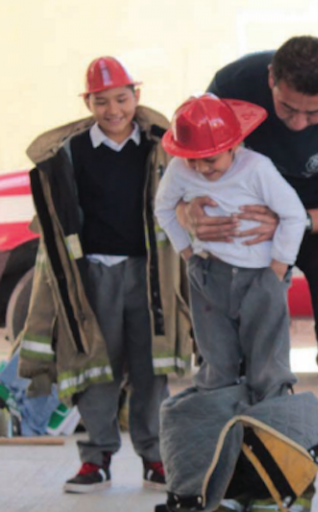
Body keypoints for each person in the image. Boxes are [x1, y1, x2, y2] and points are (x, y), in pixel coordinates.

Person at [176, 36, 318, 512]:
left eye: (313, 115)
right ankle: (243, 484)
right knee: (241, 361)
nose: (297, 124)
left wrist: (297, 221)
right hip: (249, 229)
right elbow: (190, 161)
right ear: (270, 79)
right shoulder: (232, 86)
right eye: (287, 108)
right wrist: (188, 208)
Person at [17, 56, 192, 493]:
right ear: (87, 103)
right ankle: (96, 460)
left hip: (149, 274)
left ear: (137, 95)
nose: (113, 110)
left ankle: (155, 457)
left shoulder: (159, 147)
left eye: (121, 98)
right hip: (93, 276)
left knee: (151, 368)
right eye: (101, 102)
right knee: (96, 365)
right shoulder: (70, 154)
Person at [154, 93, 305, 399]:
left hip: (261, 274)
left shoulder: (257, 168)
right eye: (192, 158)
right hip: (210, 273)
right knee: (217, 364)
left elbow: (294, 215)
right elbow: (164, 209)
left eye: (210, 159)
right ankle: (221, 437)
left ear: (234, 145)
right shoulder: (179, 169)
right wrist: (188, 254)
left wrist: (276, 270)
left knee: (268, 366)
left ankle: (269, 435)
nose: (201, 168)